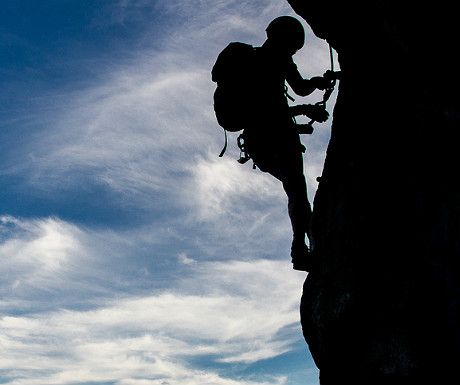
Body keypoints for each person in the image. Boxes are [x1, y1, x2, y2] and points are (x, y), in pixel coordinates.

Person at [241, 16, 330, 271]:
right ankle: (301, 247)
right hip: (277, 138)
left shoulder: (255, 59)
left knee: (297, 192)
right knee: (297, 192)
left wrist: (317, 84)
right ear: (286, 40)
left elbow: (297, 91)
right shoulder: (276, 59)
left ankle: (305, 242)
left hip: (257, 143)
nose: (294, 51)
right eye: (294, 46)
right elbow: (277, 105)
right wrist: (305, 109)